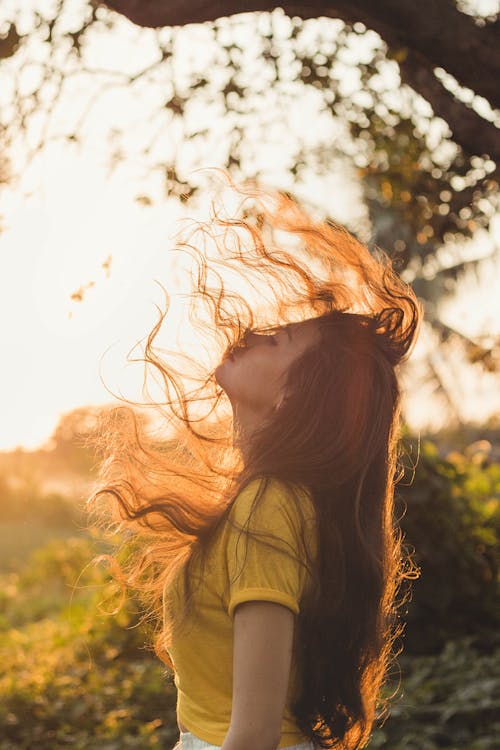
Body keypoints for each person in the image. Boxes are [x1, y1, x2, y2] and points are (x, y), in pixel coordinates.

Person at [87, 170, 423, 750]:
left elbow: (256, 734)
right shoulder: (265, 498)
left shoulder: (270, 505)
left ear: (297, 395)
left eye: (279, 341)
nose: (254, 334)